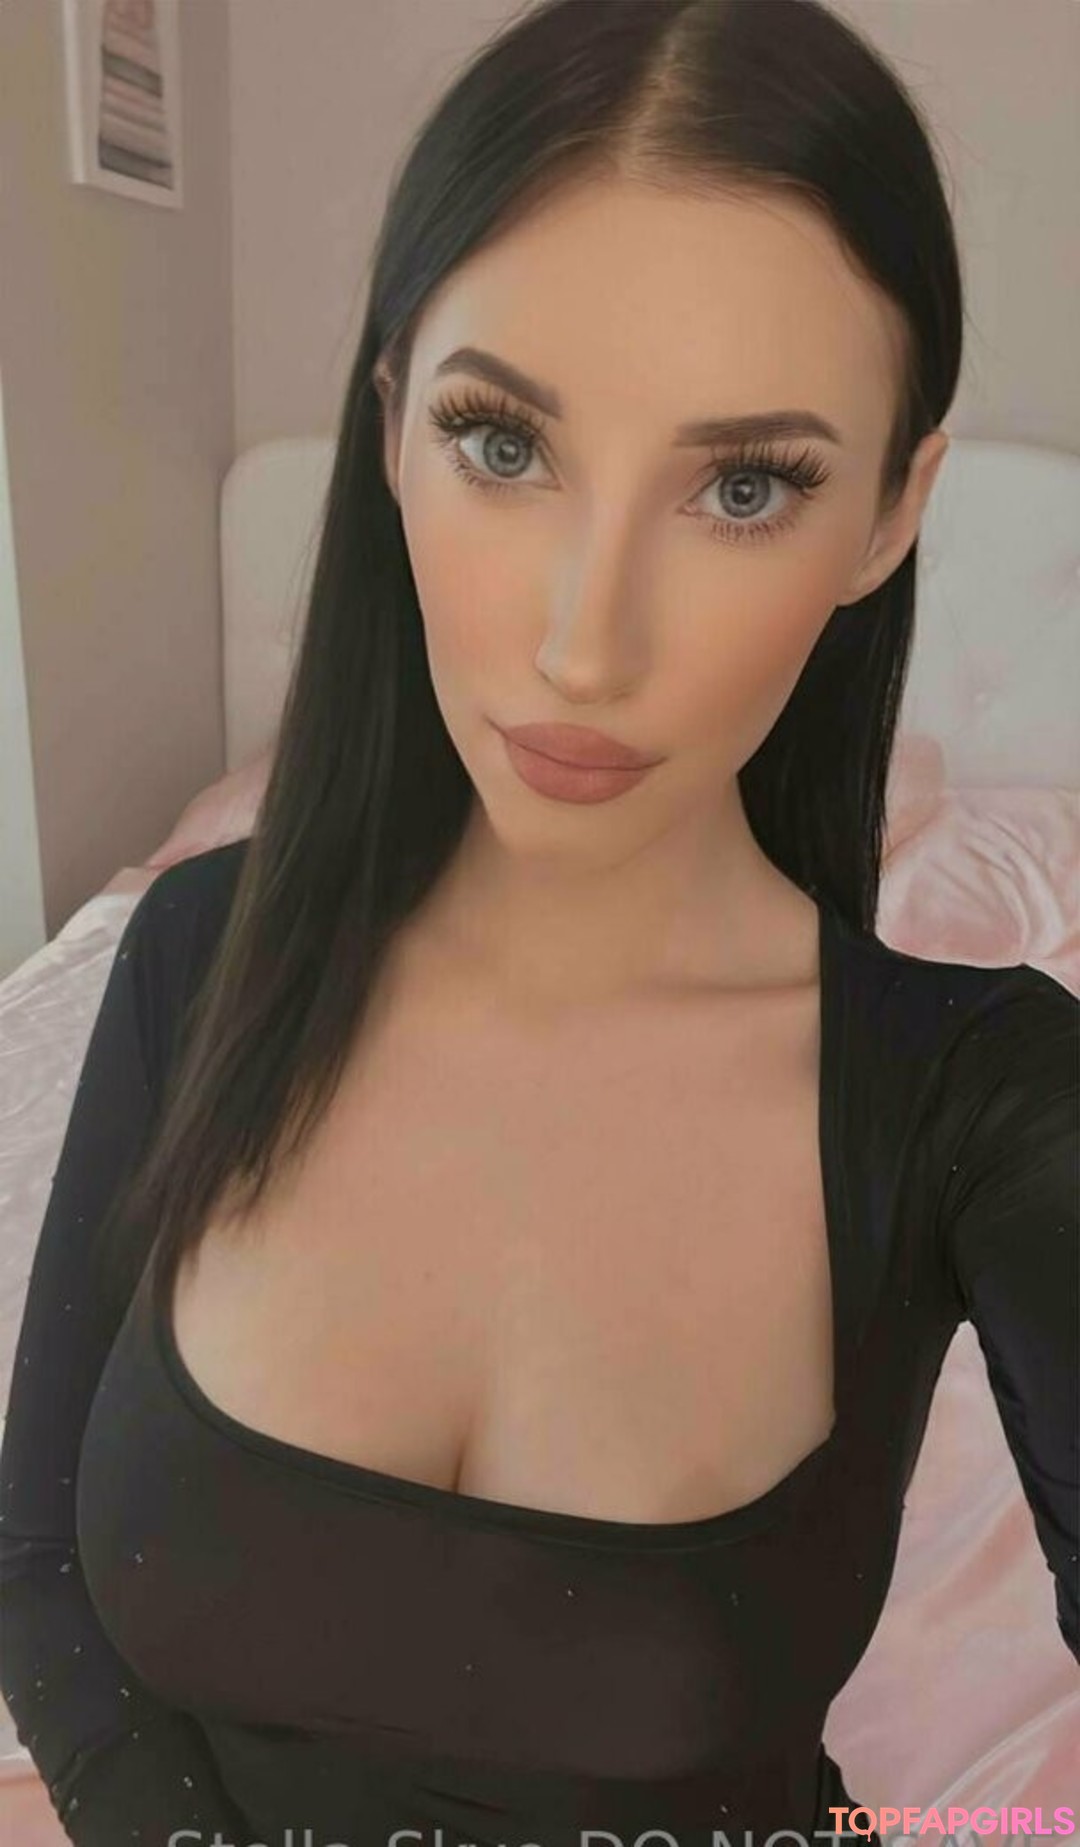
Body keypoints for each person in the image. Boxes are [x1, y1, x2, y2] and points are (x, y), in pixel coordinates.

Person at [1, 1, 1076, 1843]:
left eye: (746, 487)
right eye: (502, 443)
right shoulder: (197, 952)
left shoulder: (981, 1104)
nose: (587, 643)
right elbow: (39, 1568)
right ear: (391, 425)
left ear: (894, 512)